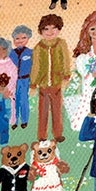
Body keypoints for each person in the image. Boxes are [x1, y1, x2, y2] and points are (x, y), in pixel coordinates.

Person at [31, 13, 72, 143]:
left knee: (57, 110)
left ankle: (58, 134)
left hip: (56, 83)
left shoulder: (61, 44)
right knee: (43, 111)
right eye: (46, 29)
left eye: (54, 28)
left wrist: (66, 76)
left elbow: (66, 60)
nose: (50, 32)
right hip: (43, 85)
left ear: (59, 29)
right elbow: (36, 66)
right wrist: (33, 84)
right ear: (41, 31)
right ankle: (42, 136)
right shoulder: (38, 47)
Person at [9, 25, 34, 129]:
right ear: (13, 40)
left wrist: (33, 81)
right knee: (13, 100)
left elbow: (34, 67)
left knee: (23, 100)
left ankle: (24, 120)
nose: (20, 41)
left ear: (28, 38)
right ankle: (14, 120)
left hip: (25, 80)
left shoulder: (31, 53)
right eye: (17, 38)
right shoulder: (10, 53)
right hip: (13, 81)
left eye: (24, 38)